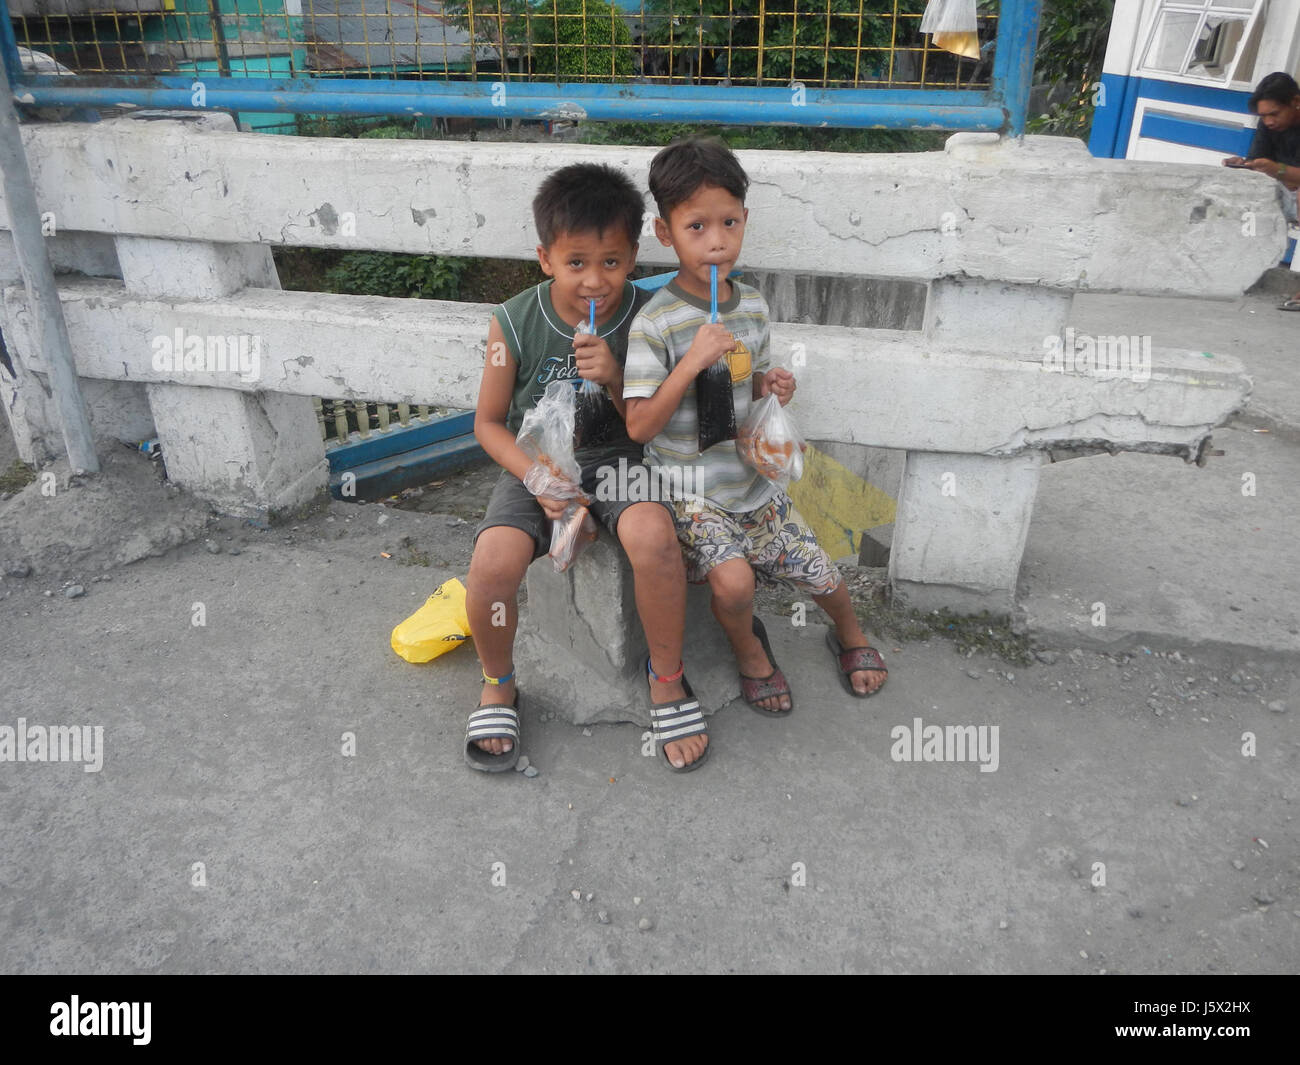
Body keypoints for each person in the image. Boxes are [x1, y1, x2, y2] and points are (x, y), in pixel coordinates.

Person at [623, 136, 888, 720]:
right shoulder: (655, 323)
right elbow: (639, 425)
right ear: (665, 233)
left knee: (820, 570)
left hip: (755, 482)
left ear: (745, 220)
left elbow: (752, 375)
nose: (717, 241)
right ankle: (748, 650)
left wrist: (771, 385)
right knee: (736, 585)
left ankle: (848, 631)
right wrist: (691, 361)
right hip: (694, 495)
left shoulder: (752, 306)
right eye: (696, 227)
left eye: (729, 222)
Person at [466, 163, 708, 774]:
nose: (595, 281)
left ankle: (667, 678)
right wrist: (538, 479)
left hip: (622, 456)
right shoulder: (513, 321)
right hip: (538, 460)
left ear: (633, 256)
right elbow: (489, 423)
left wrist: (617, 376)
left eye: (612, 262)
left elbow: (663, 417)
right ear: (545, 258)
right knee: (493, 563)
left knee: (654, 539)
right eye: (576, 263)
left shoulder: (651, 315)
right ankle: (498, 681)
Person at [1223, 72, 1300, 310]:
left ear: (1296, 102)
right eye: (1263, 116)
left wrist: (1277, 170)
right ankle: (1230, 271)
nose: (1268, 122)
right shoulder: (1268, 126)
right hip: (1285, 189)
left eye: (1274, 114)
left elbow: (1276, 169)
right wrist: (1244, 165)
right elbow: (1258, 161)